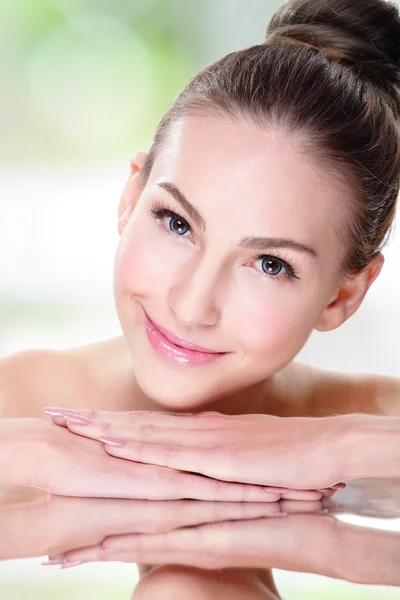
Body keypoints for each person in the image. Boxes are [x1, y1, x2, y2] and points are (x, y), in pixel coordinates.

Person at [1, 0, 400, 597]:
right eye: (177, 223)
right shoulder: (24, 404)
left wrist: (336, 450)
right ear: (130, 199)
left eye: (270, 264)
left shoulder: (368, 425)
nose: (192, 306)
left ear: (343, 295)